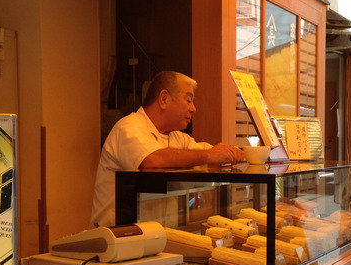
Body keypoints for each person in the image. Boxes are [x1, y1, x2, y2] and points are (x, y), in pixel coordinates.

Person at [90, 71, 244, 227]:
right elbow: (151, 160)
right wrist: (208, 155)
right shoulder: (129, 127)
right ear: (164, 99)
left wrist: (230, 153)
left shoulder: (177, 137)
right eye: (188, 100)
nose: (193, 108)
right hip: (118, 237)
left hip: (157, 237)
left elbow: (205, 154)